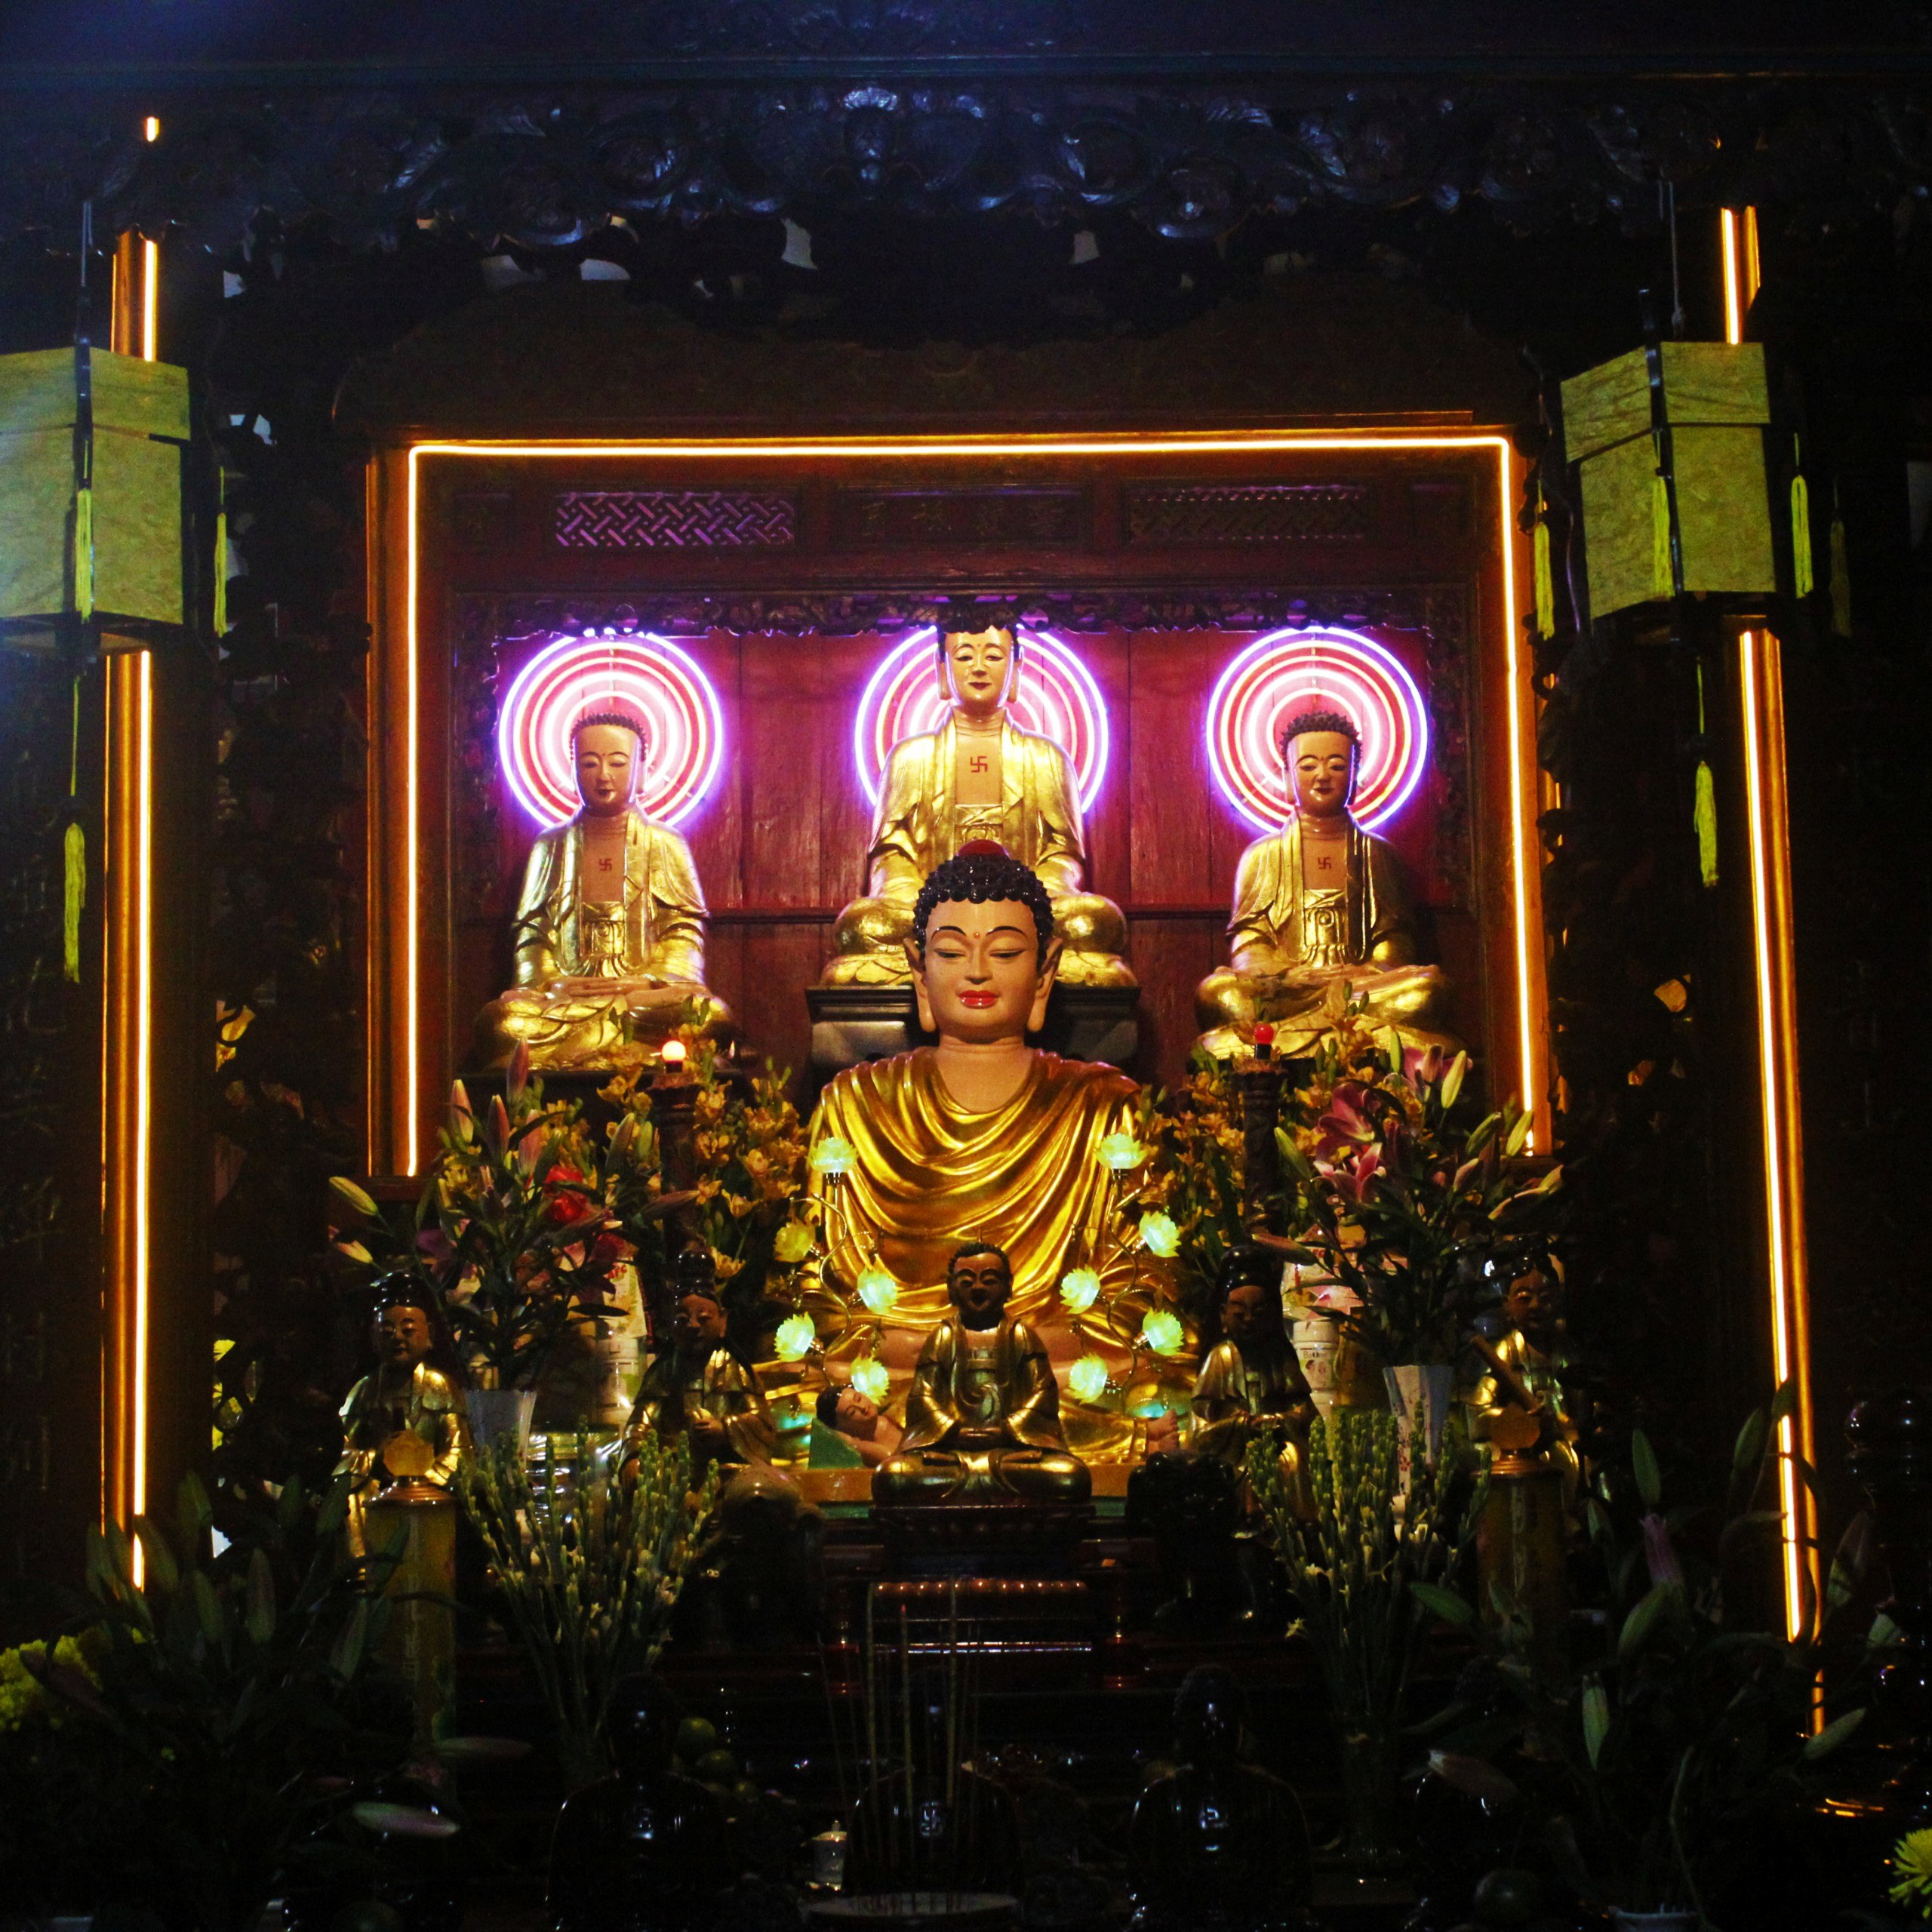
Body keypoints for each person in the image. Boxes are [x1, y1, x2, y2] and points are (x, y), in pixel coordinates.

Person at [804, 845, 1157, 1449]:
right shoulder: (855, 1101)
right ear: (918, 969)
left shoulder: (1103, 1104)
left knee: (1154, 1380)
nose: (976, 973)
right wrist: (918, 1345)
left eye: (1005, 953)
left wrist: (1011, 1347)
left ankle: (897, 1440)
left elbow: (1135, 1288)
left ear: (1045, 971)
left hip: (1053, 1364)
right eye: (949, 953)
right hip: (900, 1360)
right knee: (807, 1390)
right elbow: (827, 1284)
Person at [824, 613, 1132, 989]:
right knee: (862, 924)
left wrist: (1035, 897)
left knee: (1093, 921)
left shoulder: (1047, 758)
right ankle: (993, 959)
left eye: (994, 656)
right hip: (932, 916)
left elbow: (1062, 857)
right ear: (942, 669)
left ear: (1016, 668)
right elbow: (892, 857)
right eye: (965, 656)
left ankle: (955, 960)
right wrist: (924, 901)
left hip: (1024, 915)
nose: (979, 667)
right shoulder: (910, 758)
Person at [476, 706, 731, 1070]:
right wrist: (553, 983)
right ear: (573, 771)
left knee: (709, 1016)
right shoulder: (550, 845)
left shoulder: (666, 843)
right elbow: (533, 936)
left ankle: (564, 1057)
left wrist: (645, 983)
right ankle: (630, 1054)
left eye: (618, 762)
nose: (604, 775)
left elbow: (684, 934)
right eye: (589, 763)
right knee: (501, 1021)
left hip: (641, 998)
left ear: (641, 773)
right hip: (566, 1001)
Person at [1195, 706, 1450, 1060]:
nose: (1323, 776)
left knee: (1428, 990)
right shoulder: (1262, 856)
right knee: (1220, 993)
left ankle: (1293, 1039)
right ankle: (1356, 1037)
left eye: (1337, 766)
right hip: (1291, 991)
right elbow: (1248, 945)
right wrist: (1286, 975)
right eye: (1308, 766)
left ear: (1355, 775)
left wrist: (1362, 972)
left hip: (1361, 988)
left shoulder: (1378, 854)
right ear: (1288, 778)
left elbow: (1394, 946)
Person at [873, 1242, 1090, 1506]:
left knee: (1070, 1476)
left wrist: (1007, 1430)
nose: (977, 1289)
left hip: (1013, 1452)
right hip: (952, 1453)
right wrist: (953, 1431)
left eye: (989, 1281)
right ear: (951, 1288)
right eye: (967, 1282)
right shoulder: (943, 1338)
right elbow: (923, 1397)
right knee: (894, 1476)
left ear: (1008, 1286)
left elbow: (1042, 1393)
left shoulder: (1021, 1336)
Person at [1128, 1666, 1315, 1932]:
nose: (1212, 1731)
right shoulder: (1160, 1799)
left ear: (1241, 1727)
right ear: (1184, 1728)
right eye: (1202, 1722)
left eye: (1223, 1721)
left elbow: (1294, 1880)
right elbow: (1144, 1880)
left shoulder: (1273, 1796)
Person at [547, 1675, 728, 1932]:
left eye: (649, 1732)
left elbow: (717, 1899)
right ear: (611, 1737)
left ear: (670, 1734)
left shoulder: (697, 1806)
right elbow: (563, 1906)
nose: (639, 1743)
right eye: (629, 1733)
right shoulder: (583, 1809)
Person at [623, 1250, 776, 1472]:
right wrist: (633, 1456)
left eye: (704, 1318)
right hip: (672, 1471)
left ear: (723, 1322)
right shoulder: (664, 1373)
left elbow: (763, 1424)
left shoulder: (734, 1369)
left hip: (726, 1470)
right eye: (682, 1319)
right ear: (670, 1324)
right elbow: (640, 1421)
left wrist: (725, 1429)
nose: (693, 1326)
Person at [810, 1383, 901, 1469]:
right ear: (842, 1429)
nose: (862, 1407)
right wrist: (854, 1444)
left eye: (858, 1399)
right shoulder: (860, 1447)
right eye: (852, 1412)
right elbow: (893, 1462)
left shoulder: (893, 1414)